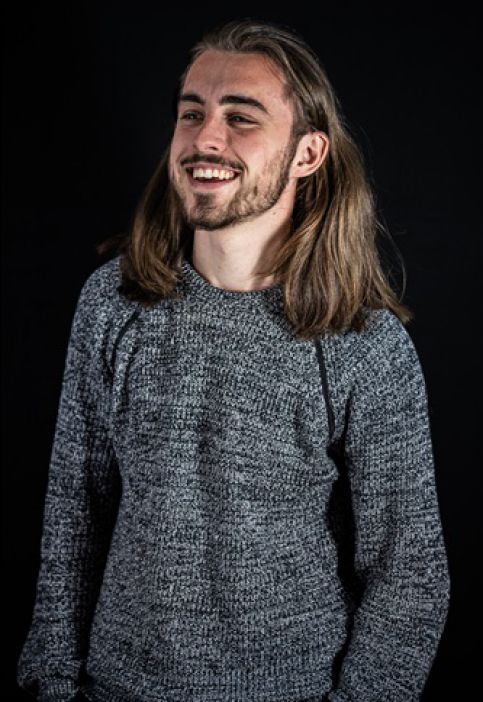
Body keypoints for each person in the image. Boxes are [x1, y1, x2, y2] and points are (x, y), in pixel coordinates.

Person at [16, 17, 451, 702]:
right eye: (191, 114)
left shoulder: (361, 343)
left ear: (307, 153)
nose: (204, 140)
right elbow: (74, 512)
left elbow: (409, 572)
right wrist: (52, 682)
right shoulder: (112, 303)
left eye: (240, 117)